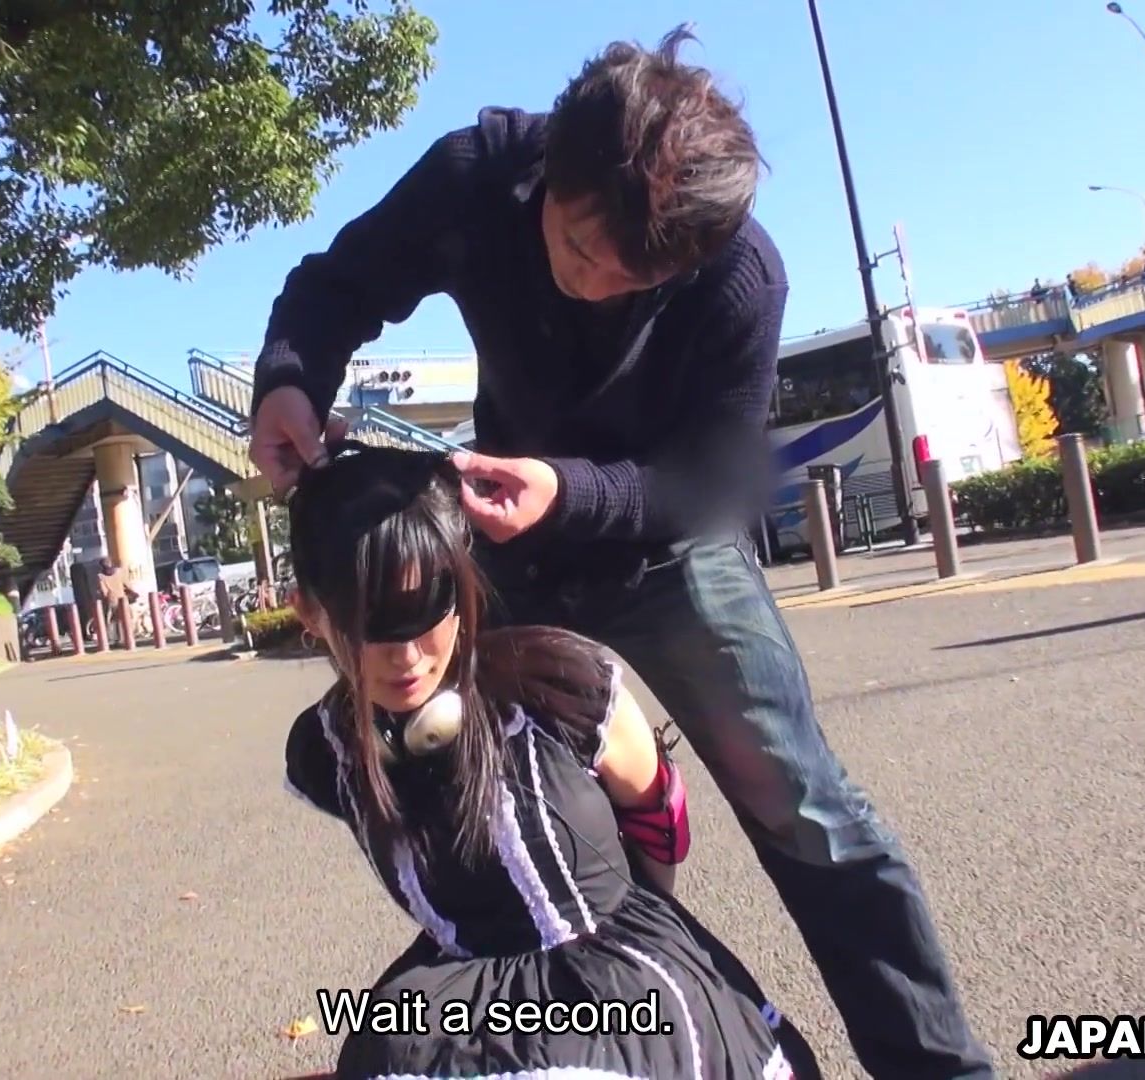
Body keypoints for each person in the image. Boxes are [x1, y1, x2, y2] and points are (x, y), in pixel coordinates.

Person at [247, 26, 993, 1080]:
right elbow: (338, 285)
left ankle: (938, 1067)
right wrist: (291, 380)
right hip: (506, 554)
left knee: (804, 808)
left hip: (668, 548)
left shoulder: (742, 276)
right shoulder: (477, 175)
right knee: (488, 811)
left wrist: (572, 492)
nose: (596, 285)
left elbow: (711, 478)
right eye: (579, 248)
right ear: (550, 172)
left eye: (636, 276)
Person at [281, 441, 816, 1078]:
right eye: (367, 621)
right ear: (309, 611)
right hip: (453, 990)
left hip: (614, 977)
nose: (406, 656)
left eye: (427, 608)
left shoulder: (557, 682)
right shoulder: (327, 748)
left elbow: (657, 811)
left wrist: (640, 911)